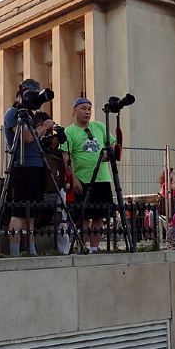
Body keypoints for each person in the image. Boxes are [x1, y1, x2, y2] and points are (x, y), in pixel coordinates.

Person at [3, 79, 55, 257]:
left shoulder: (30, 116)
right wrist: (43, 127)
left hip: (36, 165)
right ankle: (14, 252)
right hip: (22, 165)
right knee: (18, 212)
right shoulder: (14, 113)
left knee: (31, 213)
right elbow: (26, 138)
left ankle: (31, 249)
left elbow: (35, 138)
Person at [61, 97, 116, 254]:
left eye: (89, 109)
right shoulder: (69, 131)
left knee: (99, 216)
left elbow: (112, 142)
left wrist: (108, 151)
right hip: (83, 179)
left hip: (102, 178)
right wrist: (73, 178)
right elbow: (66, 156)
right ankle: (82, 246)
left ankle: (94, 248)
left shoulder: (98, 126)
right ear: (75, 111)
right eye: (83, 108)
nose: (87, 112)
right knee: (84, 216)